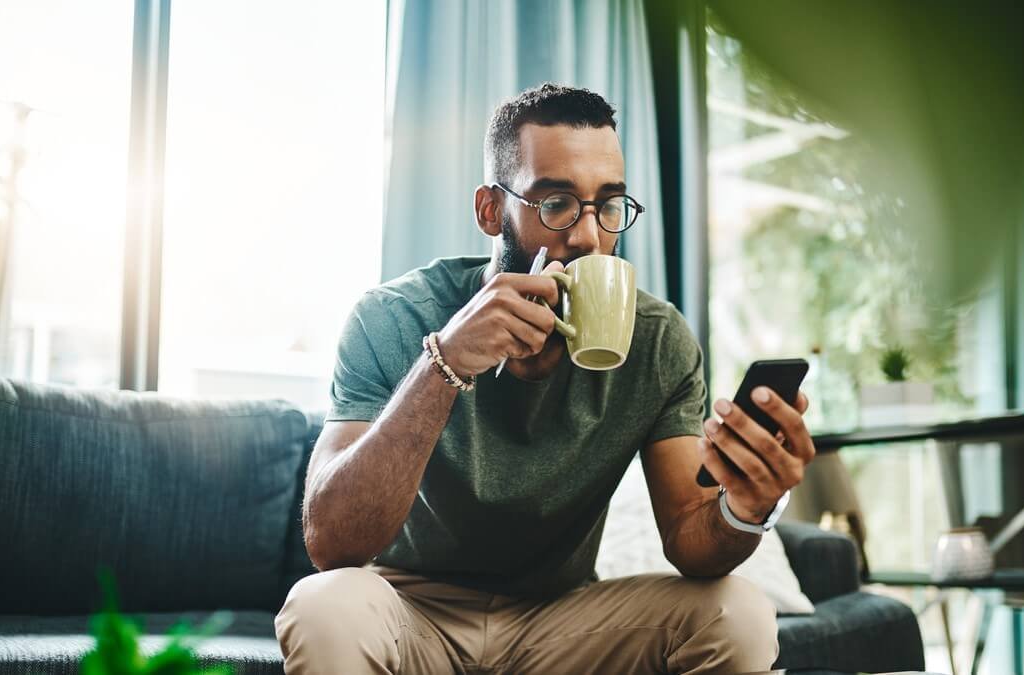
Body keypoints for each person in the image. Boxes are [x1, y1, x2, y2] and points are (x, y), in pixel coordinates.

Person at [274, 83, 815, 674]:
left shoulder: (658, 340)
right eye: (556, 203)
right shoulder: (393, 318)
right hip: (411, 609)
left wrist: (744, 508)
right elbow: (330, 543)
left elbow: (691, 540)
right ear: (490, 210)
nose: (587, 237)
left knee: (737, 613)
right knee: (322, 606)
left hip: (562, 621)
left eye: (609, 205)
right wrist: (444, 363)